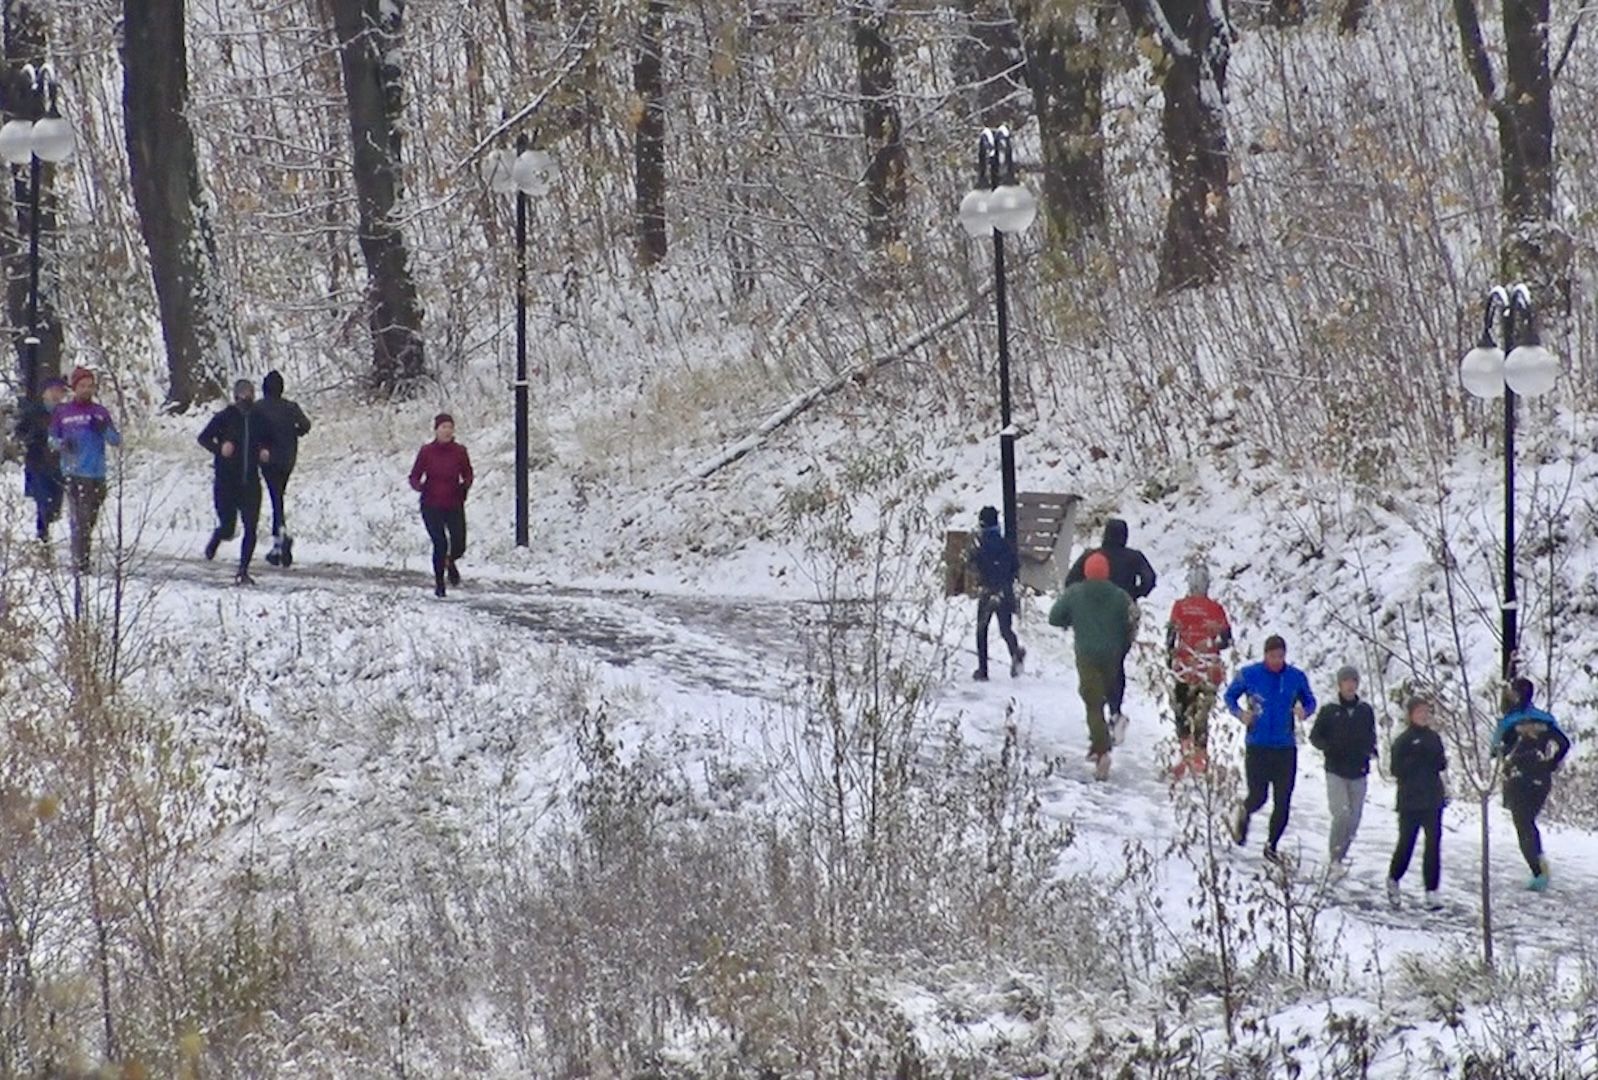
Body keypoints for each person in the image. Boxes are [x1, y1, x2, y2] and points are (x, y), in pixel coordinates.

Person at [1223, 634, 1316, 863]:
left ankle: (1271, 846)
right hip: (1258, 745)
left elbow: (1310, 700)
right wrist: (1240, 714)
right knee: (1258, 796)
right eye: (1273, 656)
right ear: (1265, 655)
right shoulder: (1250, 674)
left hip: (1285, 747)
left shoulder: (1295, 677)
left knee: (1283, 800)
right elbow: (1229, 696)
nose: (1277, 660)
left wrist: (1305, 711)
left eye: (1281, 656)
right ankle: (1241, 815)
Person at [1048, 552, 1138, 781]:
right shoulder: (1120, 596)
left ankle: (1102, 750)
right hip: (1112, 655)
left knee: (1092, 703)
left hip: (1087, 653)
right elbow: (1132, 619)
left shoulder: (1076, 593)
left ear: (1086, 571)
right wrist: (1123, 641)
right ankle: (1103, 736)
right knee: (1104, 697)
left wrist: (1074, 619)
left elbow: (1055, 617)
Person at [1064, 518, 1157, 740]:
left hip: (1096, 616)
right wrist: (1135, 593)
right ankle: (1115, 710)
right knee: (1117, 662)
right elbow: (1150, 579)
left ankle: (1101, 711)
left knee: (1097, 662)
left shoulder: (1093, 556)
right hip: (1125, 616)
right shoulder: (1134, 557)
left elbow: (1070, 581)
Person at [1494, 677, 1571, 892]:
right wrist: (1551, 763)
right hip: (1541, 776)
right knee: (1530, 821)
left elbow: (1495, 749)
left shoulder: (1509, 721)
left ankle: (1538, 870)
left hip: (1518, 776)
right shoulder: (1545, 719)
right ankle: (1539, 861)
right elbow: (1564, 743)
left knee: (1523, 824)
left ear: (1515, 695)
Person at [198, 379, 275, 585]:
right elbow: (204, 438)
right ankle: (217, 538)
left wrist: (266, 450)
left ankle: (243, 570)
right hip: (227, 481)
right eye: (243, 394)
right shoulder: (225, 417)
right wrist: (220, 448)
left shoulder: (260, 418)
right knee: (228, 528)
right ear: (235, 396)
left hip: (250, 480)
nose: (247, 397)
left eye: (250, 393)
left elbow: (270, 439)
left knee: (251, 526)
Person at [47, 366, 122, 573]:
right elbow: (51, 439)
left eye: (90, 386)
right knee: (79, 519)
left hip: (97, 474)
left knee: (89, 520)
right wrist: (63, 444)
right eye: (82, 386)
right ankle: (80, 563)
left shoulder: (100, 412)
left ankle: (83, 554)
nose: (86, 390)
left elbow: (116, 440)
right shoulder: (62, 412)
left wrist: (104, 429)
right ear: (74, 387)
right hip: (74, 473)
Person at [1165, 561, 1233, 777]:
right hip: (1208, 668)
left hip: (1185, 667)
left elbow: (1170, 637)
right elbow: (1227, 639)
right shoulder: (1216, 609)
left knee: (1182, 710)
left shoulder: (1179, 606)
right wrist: (1211, 645)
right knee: (1202, 713)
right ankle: (1200, 758)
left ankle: (1186, 755)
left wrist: (1170, 658)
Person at [1309, 665, 1378, 877]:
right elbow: (1315, 737)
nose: (1350, 685)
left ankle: (1342, 853)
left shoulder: (1365, 711)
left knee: (1354, 819)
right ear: (1339, 685)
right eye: (1346, 681)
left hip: (1358, 770)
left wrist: (1371, 750)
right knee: (1341, 814)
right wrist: (1329, 747)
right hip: (1336, 770)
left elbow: (1370, 735)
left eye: (1353, 681)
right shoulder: (1330, 710)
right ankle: (1335, 858)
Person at [1387, 697, 1447, 910]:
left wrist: (1434, 760)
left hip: (1433, 798)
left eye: (1426, 712)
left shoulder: (1434, 738)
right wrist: (1413, 761)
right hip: (1410, 800)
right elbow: (1395, 769)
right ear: (1410, 715)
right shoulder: (1403, 740)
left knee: (1433, 845)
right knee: (1407, 843)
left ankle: (1432, 890)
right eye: (1419, 712)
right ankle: (1394, 878)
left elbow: (1441, 764)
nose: (1424, 715)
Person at [408, 413, 473, 598]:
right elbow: (414, 476)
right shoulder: (427, 451)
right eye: (443, 427)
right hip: (431, 503)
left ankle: (450, 561)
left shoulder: (460, 451)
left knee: (459, 544)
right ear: (436, 430)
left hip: (453, 502)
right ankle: (439, 584)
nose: (447, 431)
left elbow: (468, 473)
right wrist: (420, 487)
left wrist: (465, 487)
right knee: (440, 543)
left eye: (450, 427)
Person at [255, 369, 312, 568]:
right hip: (287, 458)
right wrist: (293, 433)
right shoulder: (291, 407)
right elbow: (306, 425)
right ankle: (279, 540)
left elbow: (253, 431)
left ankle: (281, 538)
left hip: (268, 459)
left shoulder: (258, 408)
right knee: (278, 496)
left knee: (275, 497)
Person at [966, 505, 1025, 681]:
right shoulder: (1005, 543)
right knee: (1005, 628)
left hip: (987, 591)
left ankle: (983, 671)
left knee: (981, 629)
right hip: (1005, 590)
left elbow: (973, 564)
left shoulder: (981, 544)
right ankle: (1015, 652)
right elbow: (1015, 565)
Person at [14, 376, 67, 541]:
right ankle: (42, 536)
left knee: (55, 504)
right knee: (43, 500)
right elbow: (19, 433)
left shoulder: (66, 413)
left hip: (59, 464)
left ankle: (45, 530)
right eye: (53, 391)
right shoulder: (33, 411)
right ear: (44, 393)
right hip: (37, 462)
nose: (56, 395)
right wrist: (30, 437)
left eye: (60, 391)